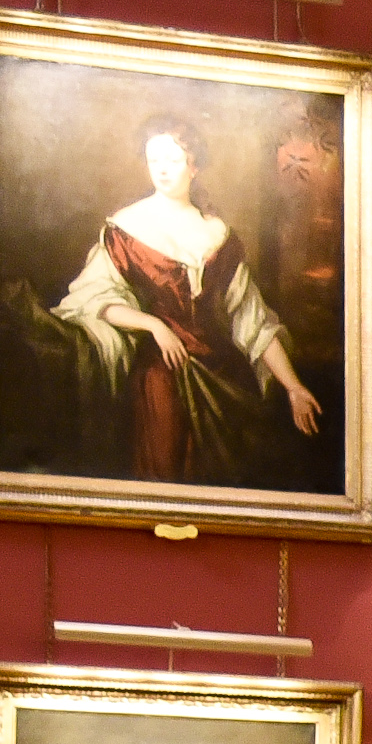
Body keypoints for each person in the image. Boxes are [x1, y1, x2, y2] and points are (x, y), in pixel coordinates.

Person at [47, 117, 324, 486]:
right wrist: (154, 325)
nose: (162, 169)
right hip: (162, 367)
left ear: (194, 167)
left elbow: (251, 320)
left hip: (223, 369)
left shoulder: (219, 234)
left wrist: (294, 387)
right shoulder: (125, 228)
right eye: (154, 160)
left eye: (173, 160)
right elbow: (94, 299)